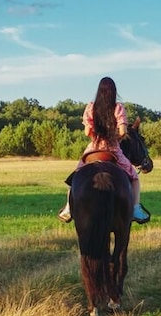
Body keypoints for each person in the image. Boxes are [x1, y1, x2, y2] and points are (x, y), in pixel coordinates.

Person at [58, 76, 149, 224]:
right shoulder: (118, 108)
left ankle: (68, 208)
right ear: (114, 91)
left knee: (75, 176)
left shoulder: (91, 107)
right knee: (134, 177)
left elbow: (87, 132)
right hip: (112, 149)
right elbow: (122, 132)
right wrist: (114, 137)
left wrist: (96, 136)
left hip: (93, 148)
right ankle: (136, 209)